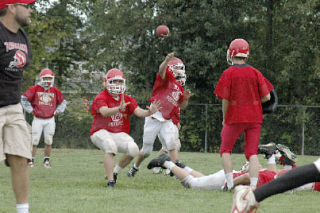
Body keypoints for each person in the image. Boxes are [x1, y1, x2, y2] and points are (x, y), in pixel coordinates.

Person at [214, 38, 274, 190]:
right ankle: (253, 186)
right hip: (254, 117)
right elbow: (267, 97)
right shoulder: (255, 72)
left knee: (225, 150)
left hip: (235, 117)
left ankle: (230, 183)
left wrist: (224, 117)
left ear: (232, 53)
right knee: (252, 153)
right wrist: (252, 100)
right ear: (246, 55)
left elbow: (225, 99)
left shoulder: (229, 73)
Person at [90, 68, 161, 188]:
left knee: (134, 150)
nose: (117, 85)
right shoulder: (101, 97)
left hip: (117, 133)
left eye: (120, 82)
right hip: (99, 131)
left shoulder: (127, 98)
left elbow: (139, 112)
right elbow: (104, 112)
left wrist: (149, 112)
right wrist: (118, 108)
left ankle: (114, 172)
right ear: (107, 82)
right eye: (114, 81)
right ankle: (111, 182)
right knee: (110, 147)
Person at [127, 52, 192, 177]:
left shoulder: (180, 88)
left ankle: (176, 170)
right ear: (171, 69)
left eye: (181, 68)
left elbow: (181, 106)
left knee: (172, 144)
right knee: (146, 151)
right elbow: (161, 70)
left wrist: (186, 99)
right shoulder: (166, 79)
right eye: (177, 68)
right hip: (154, 117)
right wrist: (166, 60)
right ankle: (135, 167)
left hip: (167, 120)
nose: (180, 71)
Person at [0, 0, 35, 212]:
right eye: (28, 5)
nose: (31, 10)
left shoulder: (22, 37)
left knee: (20, 157)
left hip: (13, 107)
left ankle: (23, 210)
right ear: (11, 7)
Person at [232, 152, 320, 212]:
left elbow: (273, 171)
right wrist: (230, 184)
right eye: (247, 166)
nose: (256, 165)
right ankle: (251, 196)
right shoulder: (256, 175)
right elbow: (246, 177)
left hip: (282, 176)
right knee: (315, 170)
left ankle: (251, 196)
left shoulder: (263, 172)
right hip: (283, 179)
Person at [21, 68, 67, 168]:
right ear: (41, 78)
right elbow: (24, 99)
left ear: (52, 79)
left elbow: (63, 102)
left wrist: (57, 111)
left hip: (50, 119)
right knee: (34, 140)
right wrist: (31, 110)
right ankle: (31, 160)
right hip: (38, 118)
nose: (47, 80)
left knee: (49, 140)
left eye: (49, 78)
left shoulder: (55, 91)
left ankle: (46, 161)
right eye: (45, 78)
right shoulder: (35, 88)